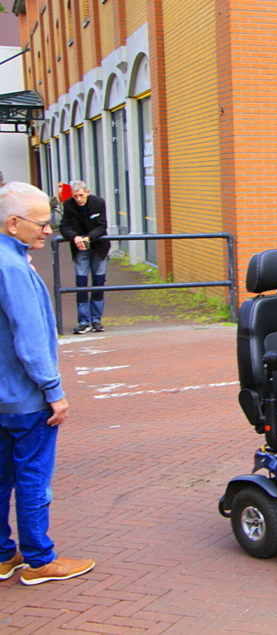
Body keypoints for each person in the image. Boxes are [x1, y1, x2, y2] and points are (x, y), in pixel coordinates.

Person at [0, 182, 95, 585]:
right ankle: (40, 559)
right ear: (12, 222)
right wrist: (53, 392)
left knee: (2, 477)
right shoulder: (14, 269)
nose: (48, 230)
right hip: (25, 399)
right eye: (40, 223)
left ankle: (5, 555)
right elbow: (31, 337)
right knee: (33, 479)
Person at [59, 181, 110, 334]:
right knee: (81, 282)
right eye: (75, 196)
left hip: (98, 246)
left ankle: (96, 319)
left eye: (81, 195)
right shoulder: (68, 205)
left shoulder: (98, 202)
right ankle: (83, 320)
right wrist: (74, 237)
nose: (79, 199)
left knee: (98, 281)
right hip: (80, 247)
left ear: (87, 192)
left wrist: (89, 237)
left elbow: (102, 225)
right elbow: (64, 226)